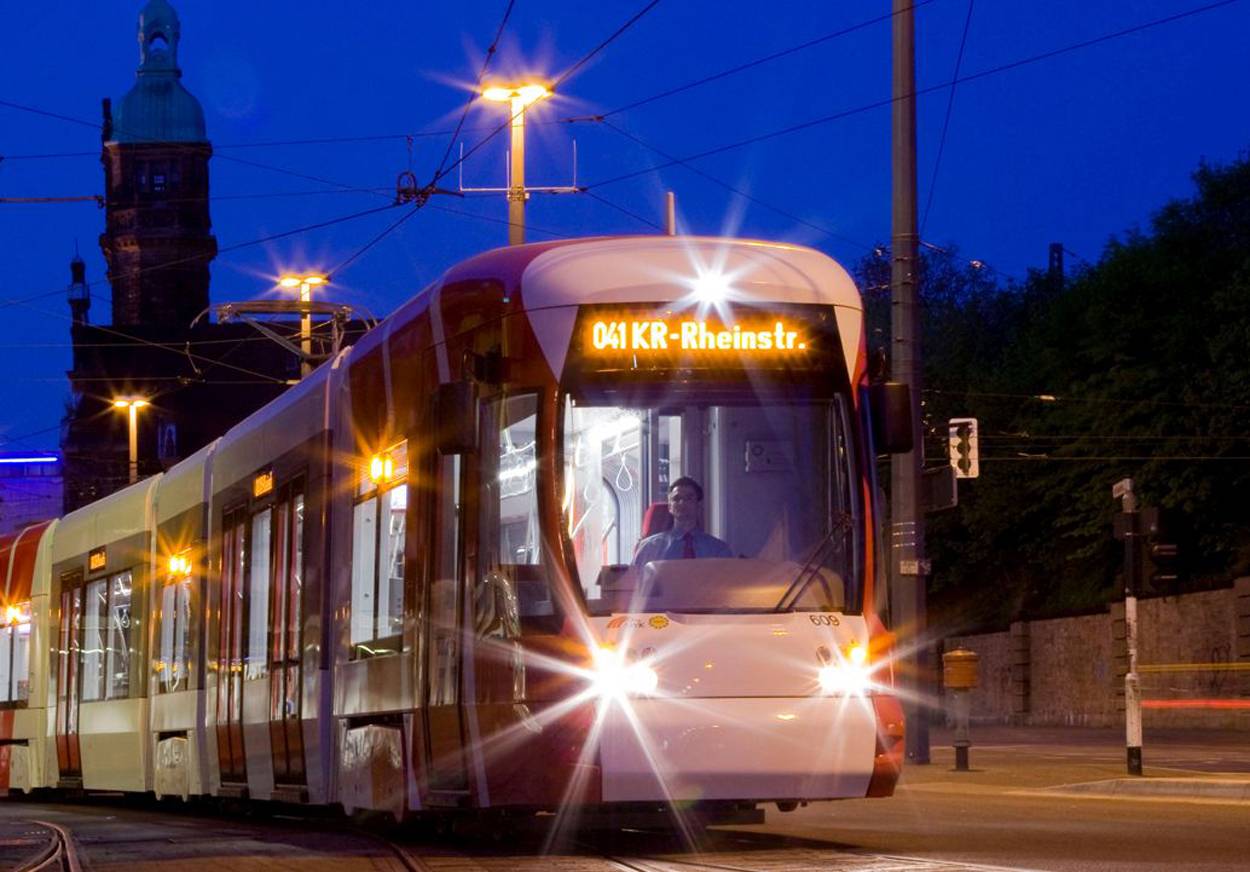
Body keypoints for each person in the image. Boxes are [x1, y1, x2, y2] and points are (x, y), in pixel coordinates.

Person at [632, 476, 732, 568]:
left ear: (699, 505)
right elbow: (632, 584)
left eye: (689, 498)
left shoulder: (719, 550)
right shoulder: (649, 548)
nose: (682, 503)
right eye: (676, 498)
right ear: (670, 507)